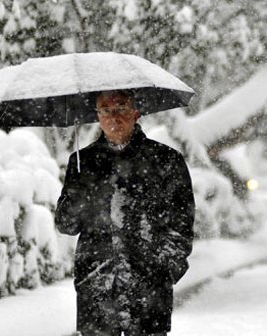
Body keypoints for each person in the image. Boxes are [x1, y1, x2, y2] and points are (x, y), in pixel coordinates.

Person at [55, 90, 195, 335]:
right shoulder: (82, 162)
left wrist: (165, 268)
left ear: (136, 112)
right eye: (106, 110)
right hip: (97, 287)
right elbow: (66, 224)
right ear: (97, 116)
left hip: (149, 289)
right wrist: (80, 190)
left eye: (121, 108)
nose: (113, 117)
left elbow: (181, 223)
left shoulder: (165, 160)